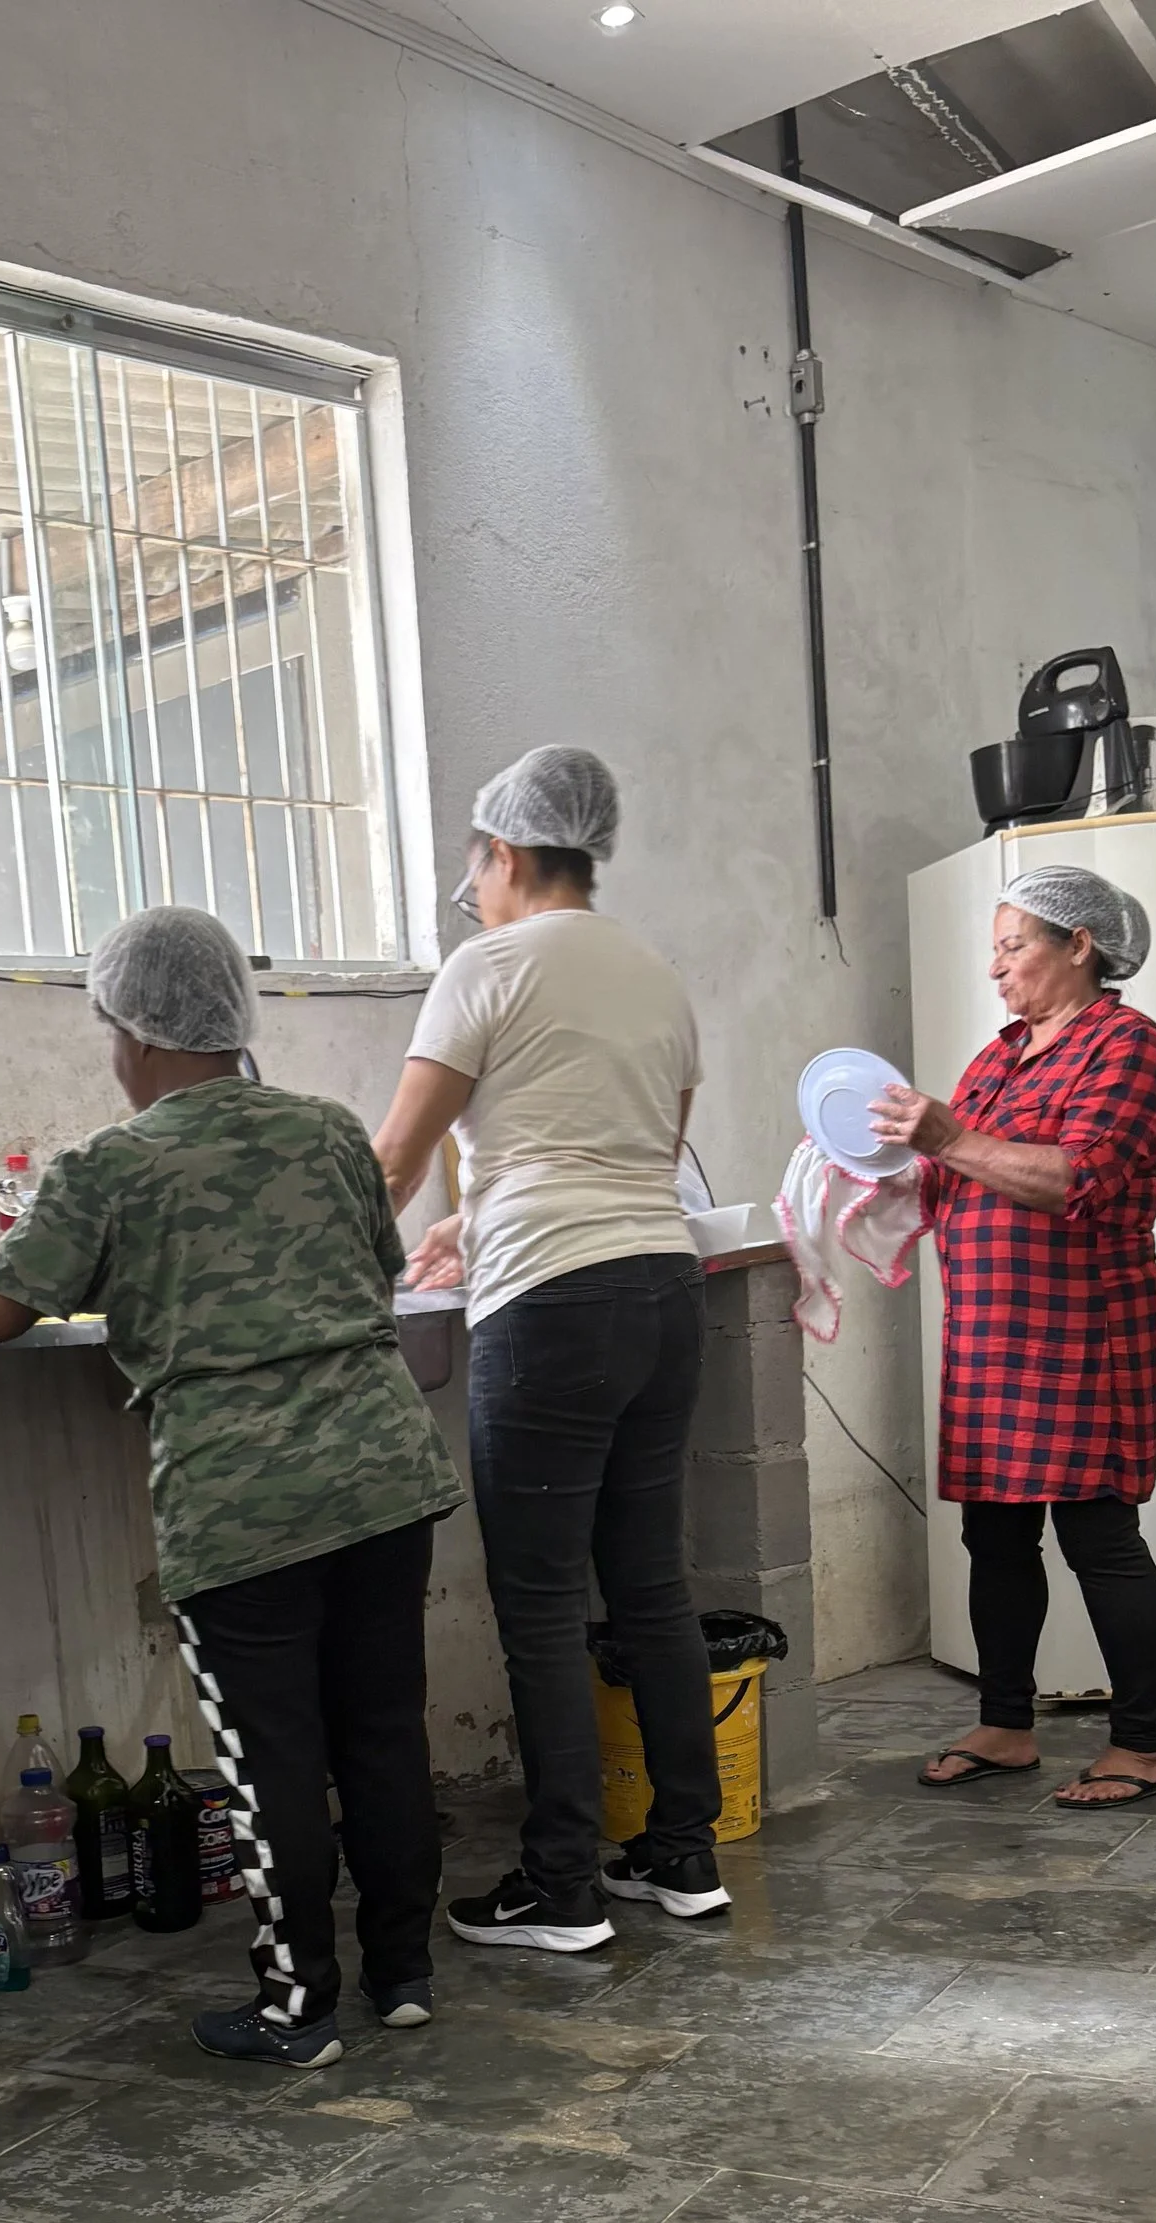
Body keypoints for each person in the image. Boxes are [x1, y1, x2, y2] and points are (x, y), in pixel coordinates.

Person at [0, 905, 461, 2067]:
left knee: (269, 1753)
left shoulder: (109, 1163)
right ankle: (403, 1976)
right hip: (383, 1472)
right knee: (382, 1731)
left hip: (242, 1501)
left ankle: (300, 2009)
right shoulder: (332, 1132)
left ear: (129, 1030)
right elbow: (377, 1270)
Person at [371, 744, 723, 1951]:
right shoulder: (658, 976)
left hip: (551, 1310)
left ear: (506, 855)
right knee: (650, 1587)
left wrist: (340, 1258)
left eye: (473, 868)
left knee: (536, 1604)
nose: (469, 892)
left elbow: (395, 1157)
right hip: (662, 1294)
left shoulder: (487, 964)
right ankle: (681, 1854)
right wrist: (484, 1214)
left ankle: (560, 1887)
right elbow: (639, 1153)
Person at [871, 865, 1156, 1810]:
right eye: (995, 950)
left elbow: (1075, 1177)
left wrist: (945, 1136)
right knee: (995, 1536)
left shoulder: (1129, 1047)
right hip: (992, 1336)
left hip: (1082, 1333)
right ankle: (1007, 1723)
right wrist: (864, 1170)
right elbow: (951, 1176)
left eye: (1014, 946)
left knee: (1098, 1533)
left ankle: (1141, 1745)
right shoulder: (999, 1055)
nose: (996, 969)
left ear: (1078, 945)